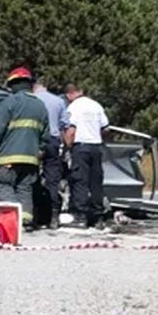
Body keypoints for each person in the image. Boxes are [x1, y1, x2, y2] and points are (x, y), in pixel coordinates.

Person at [0, 67, 49, 228]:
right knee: (24, 189)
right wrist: (38, 153)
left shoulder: (10, 102)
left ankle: (13, 220)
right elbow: (46, 136)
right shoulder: (41, 106)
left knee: (2, 185)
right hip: (31, 159)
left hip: (8, 156)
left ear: (13, 84)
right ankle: (25, 221)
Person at [63, 83, 110, 229]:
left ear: (69, 94)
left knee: (80, 182)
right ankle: (98, 218)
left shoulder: (73, 107)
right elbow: (106, 128)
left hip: (80, 148)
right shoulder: (96, 105)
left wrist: (66, 147)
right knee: (96, 183)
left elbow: (71, 130)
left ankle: (80, 216)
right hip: (96, 147)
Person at [32, 79, 67, 230]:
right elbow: (64, 125)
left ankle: (35, 215)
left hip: (34, 139)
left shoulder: (32, 100)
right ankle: (53, 216)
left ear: (34, 87)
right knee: (52, 180)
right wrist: (65, 148)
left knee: (31, 178)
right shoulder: (58, 101)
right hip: (53, 141)